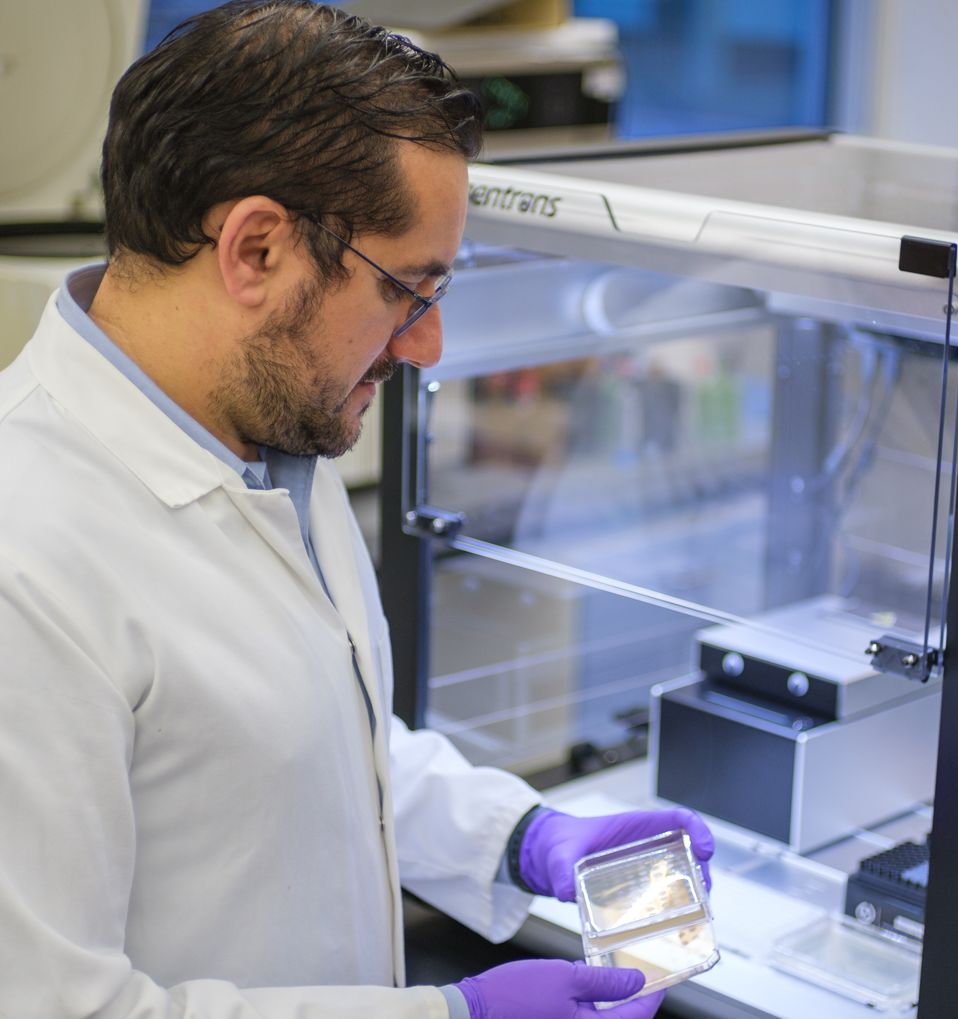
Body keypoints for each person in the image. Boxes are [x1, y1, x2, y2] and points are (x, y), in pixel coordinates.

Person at [0, 2, 714, 1016]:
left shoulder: (269, 430)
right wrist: (450, 1016)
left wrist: (516, 836)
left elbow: (309, 756)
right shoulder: (25, 559)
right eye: (406, 290)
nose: (425, 346)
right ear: (255, 250)